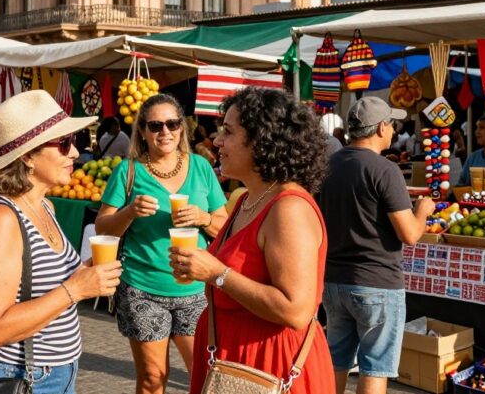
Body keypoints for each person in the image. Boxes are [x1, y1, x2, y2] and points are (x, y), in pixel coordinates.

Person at [169, 87, 335, 393]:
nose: (217, 141)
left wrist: (216, 274)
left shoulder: (289, 209)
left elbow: (295, 311)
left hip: (272, 365)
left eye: (228, 132)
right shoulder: (247, 198)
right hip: (234, 360)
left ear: (263, 141)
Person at [0, 90, 122, 394]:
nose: (75, 153)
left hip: (55, 373)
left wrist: (86, 275)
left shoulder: (45, 206)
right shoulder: (1, 218)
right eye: (64, 144)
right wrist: (76, 289)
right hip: (15, 375)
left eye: (72, 141)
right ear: (27, 155)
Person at [96, 93, 229, 394]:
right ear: (142, 131)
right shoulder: (128, 171)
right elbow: (103, 228)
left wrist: (203, 218)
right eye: (155, 125)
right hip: (143, 288)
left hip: (196, 290)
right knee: (152, 379)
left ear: (183, 127)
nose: (165, 132)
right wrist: (129, 212)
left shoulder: (201, 167)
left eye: (172, 123)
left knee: (207, 378)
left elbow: (224, 227)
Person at [319, 97, 435, 394]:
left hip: (333, 281)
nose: (394, 131)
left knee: (336, 361)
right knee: (374, 368)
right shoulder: (384, 170)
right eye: (392, 125)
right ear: (382, 127)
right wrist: (422, 211)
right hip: (376, 281)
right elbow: (409, 234)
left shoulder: (328, 165)